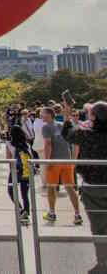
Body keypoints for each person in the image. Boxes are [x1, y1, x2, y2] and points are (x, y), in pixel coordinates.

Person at [66, 100, 107, 269]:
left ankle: (103, 262)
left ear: (94, 116)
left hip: (92, 187)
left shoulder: (85, 134)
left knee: (99, 228)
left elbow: (68, 133)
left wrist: (67, 112)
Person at [39, 106, 83, 225]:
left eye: (42, 114)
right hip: (67, 161)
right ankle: (77, 214)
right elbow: (75, 144)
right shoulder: (63, 125)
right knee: (70, 188)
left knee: (51, 187)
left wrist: (47, 161)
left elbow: (48, 144)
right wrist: (73, 160)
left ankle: (52, 213)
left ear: (48, 115)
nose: (40, 115)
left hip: (54, 161)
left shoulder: (46, 127)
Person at [6, 124, 35, 226]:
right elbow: (31, 157)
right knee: (24, 194)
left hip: (15, 171)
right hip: (26, 172)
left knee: (11, 191)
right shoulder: (26, 144)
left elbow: (8, 159)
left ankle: (20, 209)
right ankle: (26, 212)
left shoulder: (9, 144)